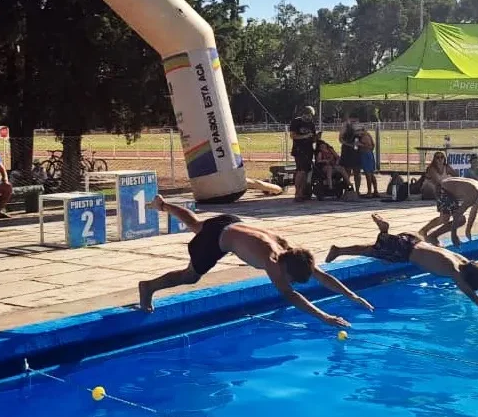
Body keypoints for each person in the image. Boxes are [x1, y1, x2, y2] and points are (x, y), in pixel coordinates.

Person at [139, 195, 374, 326]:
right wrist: (326, 317)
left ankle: (163, 205)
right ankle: (148, 287)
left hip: (231, 222)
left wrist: (351, 295)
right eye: (289, 278)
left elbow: (320, 274)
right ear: (285, 269)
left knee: (196, 224)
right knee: (190, 277)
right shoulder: (272, 261)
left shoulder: (288, 249)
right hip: (217, 240)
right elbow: (291, 295)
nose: (288, 281)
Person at [326, 213, 478, 329]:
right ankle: (375, 234)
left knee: (377, 252)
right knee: (372, 251)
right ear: (467, 278)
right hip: (406, 249)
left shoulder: (463, 262)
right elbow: (475, 297)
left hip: (414, 241)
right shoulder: (455, 271)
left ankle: (352, 245)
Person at [419, 176, 478, 247]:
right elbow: (457, 215)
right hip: (443, 189)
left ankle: (423, 231)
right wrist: (454, 236)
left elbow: (473, 213)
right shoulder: (474, 194)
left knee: (445, 218)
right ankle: (432, 236)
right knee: (456, 219)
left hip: (446, 188)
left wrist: (468, 231)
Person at [289, 106, 317, 201]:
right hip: (299, 150)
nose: (309, 117)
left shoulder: (311, 124)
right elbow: (293, 136)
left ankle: (303, 192)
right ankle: (297, 193)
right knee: (300, 171)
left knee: (306, 171)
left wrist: (316, 138)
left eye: (310, 115)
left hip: (309, 150)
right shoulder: (296, 122)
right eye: (307, 114)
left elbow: (312, 138)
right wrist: (305, 136)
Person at [338, 112, 363, 193]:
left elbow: (363, 135)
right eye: (352, 121)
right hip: (347, 150)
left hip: (356, 150)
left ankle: (358, 191)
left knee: (357, 171)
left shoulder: (359, 126)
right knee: (347, 171)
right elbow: (340, 139)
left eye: (355, 121)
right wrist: (350, 144)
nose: (354, 122)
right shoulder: (345, 126)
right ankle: (347, 189)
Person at [358, 128, 378, 197]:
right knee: (371, 174)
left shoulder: (364, 137)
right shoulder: (368, 135)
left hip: (365, 154)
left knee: (368, 174)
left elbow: (368, 145)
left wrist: (360, 145)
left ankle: (369, 192)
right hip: (369, 154)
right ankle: (375, 191)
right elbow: (372, 145)